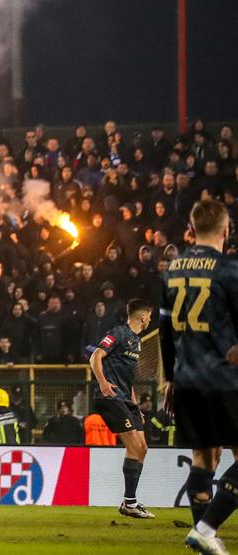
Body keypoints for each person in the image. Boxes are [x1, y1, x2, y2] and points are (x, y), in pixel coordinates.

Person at [160, 199, 238, 555]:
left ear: (191, 230)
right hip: (223, 380)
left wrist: (169, 379)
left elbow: (164, 331)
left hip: (186, 381)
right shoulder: (228, 270)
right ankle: (207, 529)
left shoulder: (172, 269)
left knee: (204, 460)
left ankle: (204, 537)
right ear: (227, 229)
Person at [88, 298, 154, 518]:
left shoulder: (137, 341)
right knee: (134, 447)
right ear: (143, 316)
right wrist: (103, 383)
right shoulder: (118, 333)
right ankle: (130, 504)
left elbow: (128, 376)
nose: (150, 320)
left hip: (127, 399)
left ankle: (130, 501)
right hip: (111, 397)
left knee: (142, 447)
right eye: (149, 316)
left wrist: (135, 403)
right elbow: (95, 356)